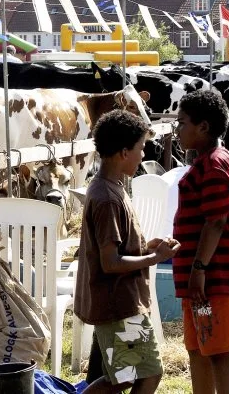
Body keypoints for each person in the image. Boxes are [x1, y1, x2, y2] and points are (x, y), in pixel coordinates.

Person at [75, 109, 175, 394]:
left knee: (125, 377)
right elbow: (111, 262)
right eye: (141, 148)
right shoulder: (107, 198)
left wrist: (147, 246)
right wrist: (156, 258)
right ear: (122, 152)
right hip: (119, 305)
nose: (143, 155)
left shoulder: (111, 187)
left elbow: (117, 247)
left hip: (119, 302)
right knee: (148, 373)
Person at [173, 89, 229, 394]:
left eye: (182, 123)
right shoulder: (218, 160)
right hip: (201, 280)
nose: (178, 130)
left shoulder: (215, 165)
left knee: (220, 351)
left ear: (203, 127)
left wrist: (199, 268)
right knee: (198, 349)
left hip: (212, 277)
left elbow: (216, 220)